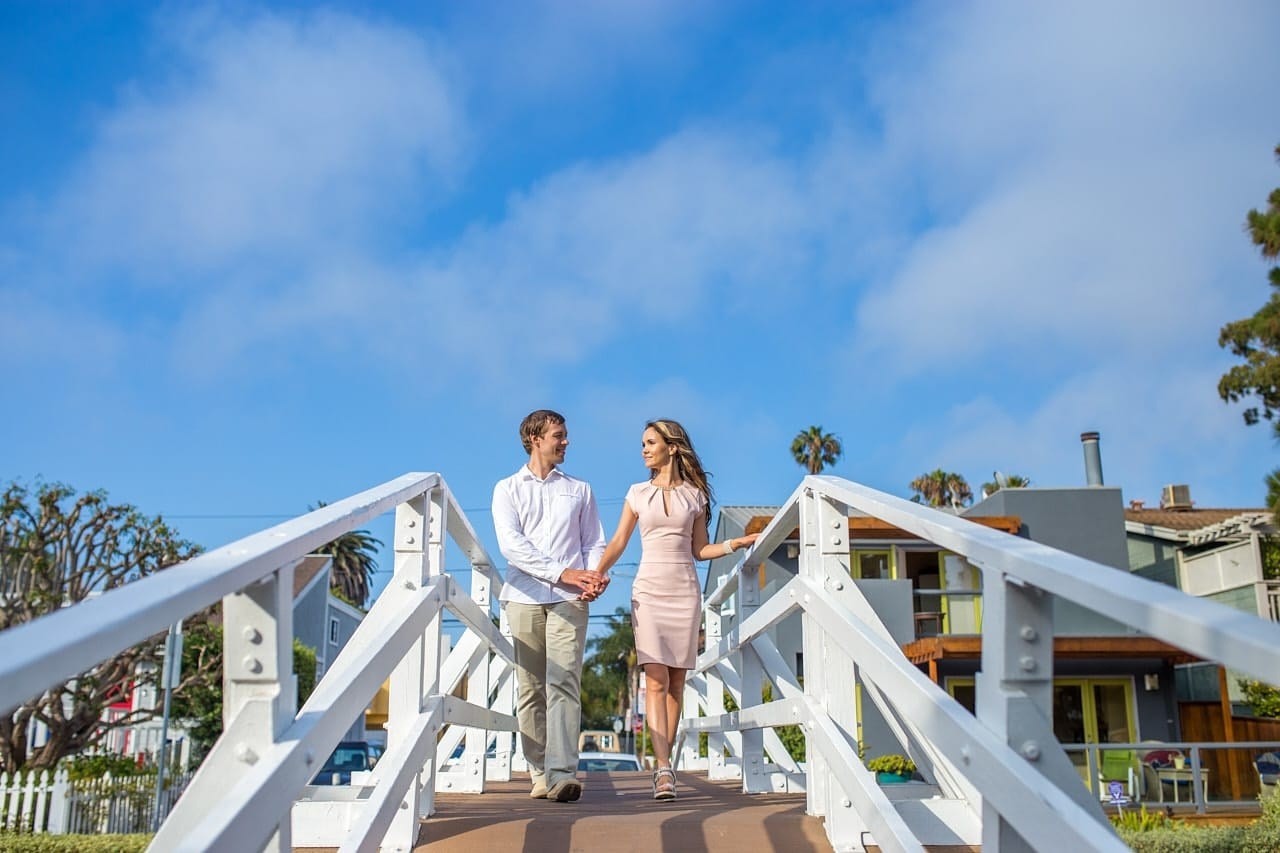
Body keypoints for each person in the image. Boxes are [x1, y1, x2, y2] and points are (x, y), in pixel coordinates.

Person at [594, 419, 758, 800]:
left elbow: (699, 549)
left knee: (676, 683)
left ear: (672, 446)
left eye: (650, 442)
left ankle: (665, 763)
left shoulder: (695, 496)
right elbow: (619, 540)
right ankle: (663, 768)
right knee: (655, 678)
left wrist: (736, 542)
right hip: (648, 591)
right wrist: (597, 575)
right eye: (642, 444)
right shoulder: (636, 493)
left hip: (685, 592)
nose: (643, 450)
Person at [493, 409, 609, 803]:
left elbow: (594, 542)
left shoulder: (580, 489)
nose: (566, 441)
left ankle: (562, 774)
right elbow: (511, 546)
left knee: (565, 682)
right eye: (559, 435)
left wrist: (592, 575)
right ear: (535, 438)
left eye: (565, 434)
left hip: (569, 600)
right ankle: (538, 772)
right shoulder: (506, 489)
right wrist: (564, 572)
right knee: (530, 687)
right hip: (523, 597)